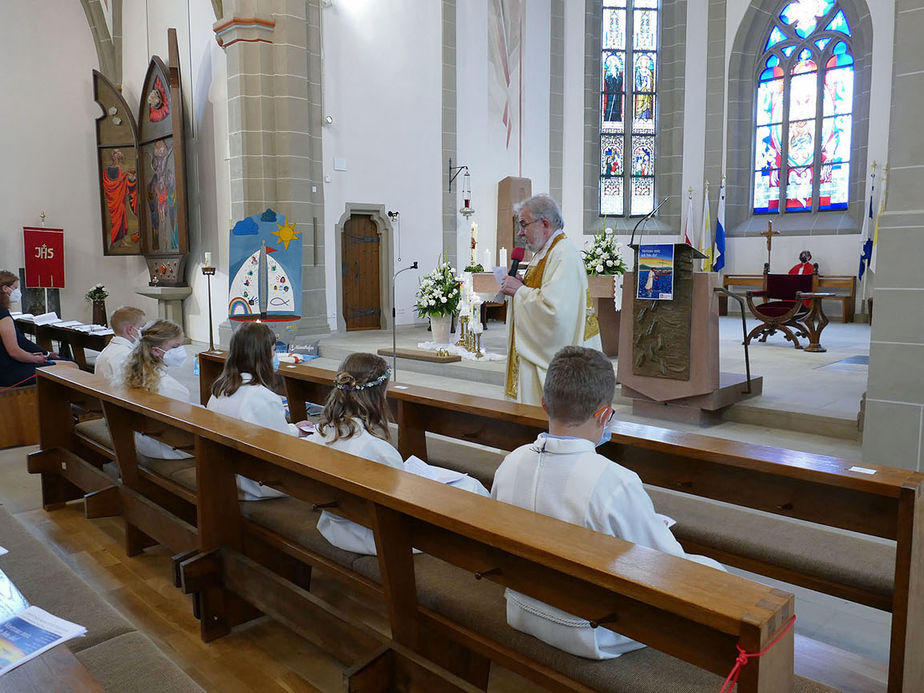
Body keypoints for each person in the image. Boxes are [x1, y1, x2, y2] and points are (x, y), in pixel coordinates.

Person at [491, 346, 725, 660]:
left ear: (545, 404)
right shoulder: (614, 481)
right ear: (604, 414)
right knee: (715, 574)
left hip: (520, 608)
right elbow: (670, 569)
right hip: (589, 630)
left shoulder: (511, 463)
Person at [500, 194, 602, 405]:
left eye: (523, 225)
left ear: (544, 223)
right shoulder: (545, 252)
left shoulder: (563, 255)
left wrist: (519, 292)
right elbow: (542, 292)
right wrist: (523, 286)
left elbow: (555, 313)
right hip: (535, 359)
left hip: (551, 364)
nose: (520, 233)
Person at [312, 353, 404, 555]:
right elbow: (400, 508)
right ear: (379, 396)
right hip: (371, 535)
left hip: (332, 525)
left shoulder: (321, 433)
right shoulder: (377, 450)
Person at [206, 322, 295, 500]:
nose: (275, 356)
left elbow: (262, 432)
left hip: (228, 475)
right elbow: (283, 447)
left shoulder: (220, 390)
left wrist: (294, 429)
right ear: (263, 355)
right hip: (261, 484)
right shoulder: (263, 398)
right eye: (273, 350)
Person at [121, 319, 192, 460]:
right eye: (175, 346)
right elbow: (184, 430)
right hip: (171, 449)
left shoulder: (133, 374)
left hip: (145, 444)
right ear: (155, 351)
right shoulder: (170, 387)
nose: (180, 351)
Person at [0, 270, 76, 388]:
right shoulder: (2, 315)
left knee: (65, 362)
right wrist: (36, 359)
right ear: (5, 289)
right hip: (9, 372)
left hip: (7, 367)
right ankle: (59, 404)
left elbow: (21, 343)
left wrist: (43, 354)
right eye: (15, 288)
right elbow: (14, 352)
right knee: (71, 366)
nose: (17, 292)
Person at [94, 306, 146, 383]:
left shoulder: (109, 349)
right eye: (142, 327)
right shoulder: (126, 355)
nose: (144, 331)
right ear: (130, 330)